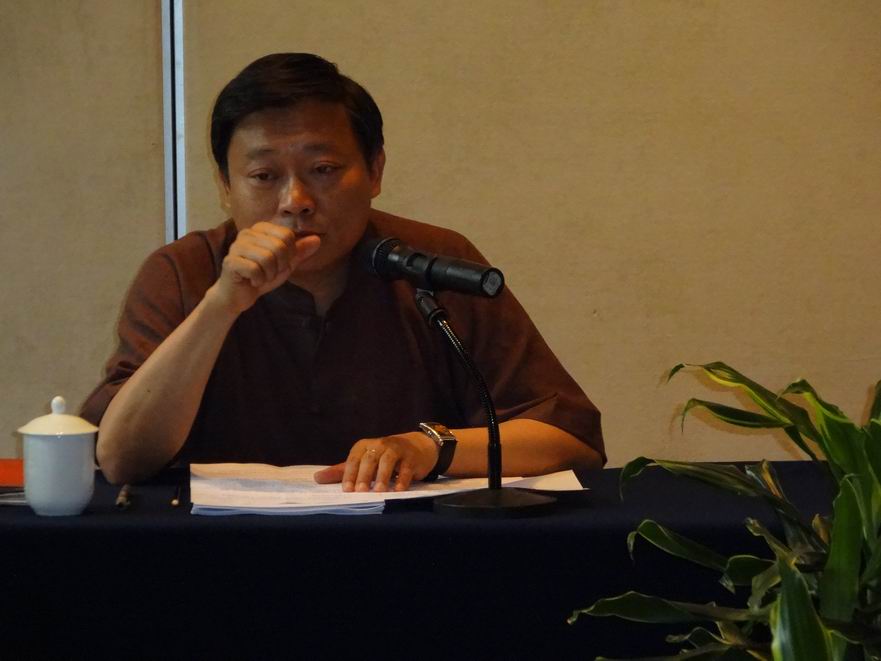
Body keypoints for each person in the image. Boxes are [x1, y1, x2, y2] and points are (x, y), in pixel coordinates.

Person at [82, 53, 605, 490]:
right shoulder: (181, 272)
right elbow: (122, 459)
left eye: (323, 170)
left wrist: (429, 447)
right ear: (225, 185)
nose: (295, 200)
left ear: (374, 170)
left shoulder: (430, 260)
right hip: (227, 554)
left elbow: (568, 438)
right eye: (264, 176)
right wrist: (220, 305)